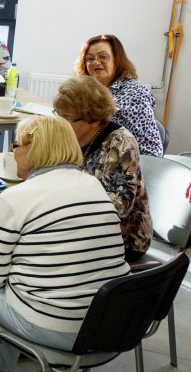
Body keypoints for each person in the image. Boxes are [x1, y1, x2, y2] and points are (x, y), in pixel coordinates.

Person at [0, 115, 130, 372]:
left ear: (35, 148)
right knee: (11, 274)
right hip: (105, 324)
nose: (14, 152)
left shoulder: (15, 198)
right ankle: (2, 368)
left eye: (16, 146)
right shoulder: (94, 185)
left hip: (56, 327)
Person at [53, 76, 152, 261]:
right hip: (79, 225)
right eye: (57, 114)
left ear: (93, 119)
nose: (60, 123)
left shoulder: (121, 143)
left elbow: (119, 206)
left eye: (67, 118)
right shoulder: (70, 136)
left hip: (122, 238)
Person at [74, 34, 163, 156]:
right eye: (90, 58)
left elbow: (98, 125)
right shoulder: (94, 90)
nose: (96, 62)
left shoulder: (135, 91)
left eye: (103, 56)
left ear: (117, 59)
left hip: (138, 162)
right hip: (108, 155)